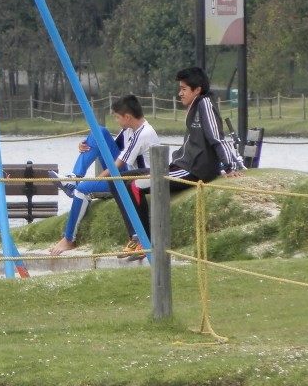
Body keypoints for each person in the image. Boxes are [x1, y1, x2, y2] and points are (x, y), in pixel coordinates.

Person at [117, 66, 246, 259]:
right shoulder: (194, 107)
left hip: (193, 170)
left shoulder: (205, 104)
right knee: (120, 179)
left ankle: (145, 242)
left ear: (197, 89)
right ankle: (135, 237)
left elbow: (217, 137)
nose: (180, 93)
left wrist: (230, 166)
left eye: (184, 89)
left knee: (135, 186)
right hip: (180, 164)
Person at [48, 95, 161, 255]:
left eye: (117, 117)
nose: (116, 121)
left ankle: (69, 239)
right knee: (98, 132)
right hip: (125, 171)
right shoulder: (130, 129)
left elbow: (117, 165)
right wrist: (87, 145)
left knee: (83, 190)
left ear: (128, 117)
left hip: (134, 179)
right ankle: (74, 176)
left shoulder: (142, 134)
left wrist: (94, 181)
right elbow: (110, 147)